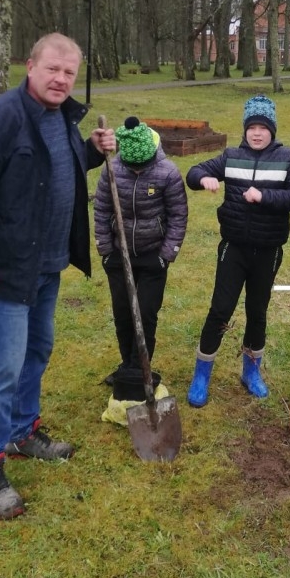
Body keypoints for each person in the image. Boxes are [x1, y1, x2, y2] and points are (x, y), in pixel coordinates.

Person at [0, 33, 116, 520]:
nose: (61, 79)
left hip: (48, 265)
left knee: (37, 351)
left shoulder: (61, 119)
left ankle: (22, 431)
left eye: (69, 73)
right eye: (53, 69)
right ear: (30, 66)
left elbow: (55, 169)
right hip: (4, 272)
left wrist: (92, 151)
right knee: (1, 368)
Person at [186, 95, 290, 407]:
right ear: (245, 129)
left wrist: (264, 196)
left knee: (257, 311)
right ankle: (202, 375)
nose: (256, 132)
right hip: (234, 248)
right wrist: (205, 178)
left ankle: (251, 372)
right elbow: (193, 172)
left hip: (268, 250)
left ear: (272, 130)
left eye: (262, 127)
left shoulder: (287, 159)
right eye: (251, 126)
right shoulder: (231, 155)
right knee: (220, 310)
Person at [93, 117, 188, 394]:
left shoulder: (167, 172)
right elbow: (101, 210)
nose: (137, 170)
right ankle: (128, 365)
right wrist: (105, 249)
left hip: (152, 256)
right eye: (131, 166)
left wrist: (166, 255)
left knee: (145, 314)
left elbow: (178, 216)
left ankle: (139, 369)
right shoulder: (112, 169)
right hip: (118, 256)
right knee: (123, 314)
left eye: (141, 166)